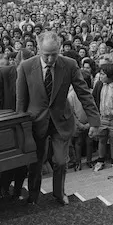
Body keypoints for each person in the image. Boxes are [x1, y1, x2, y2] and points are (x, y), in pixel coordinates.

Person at [16, 31, 100, 207]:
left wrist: (94, 121)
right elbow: (21, 101)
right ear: (38, 50)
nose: (50, 59)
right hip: (36, 122)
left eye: (54, 54)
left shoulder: (69, 64)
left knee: (61, 161)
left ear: (59, 49)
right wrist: (20, 128)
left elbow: (84, 93)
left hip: (61, 120)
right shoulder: (25, 67)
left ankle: (59, 193)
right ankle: (33, 195)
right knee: (36, 162)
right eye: (46, 55)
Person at [0, 48, 33, 198]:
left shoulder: (35, 73)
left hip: (27, 124)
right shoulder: (6, 73)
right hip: (7, 124)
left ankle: (18, 190)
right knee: (7, 162)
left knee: (23, 161)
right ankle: (3, 188)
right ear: (15, 64)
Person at [90, 62, 113, 172]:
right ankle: (100, 160)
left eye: (103, 74)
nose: (100, 76)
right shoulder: (99, 85)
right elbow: (94, 100)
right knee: (101, 140)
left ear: (110, 75)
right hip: (102, 117)